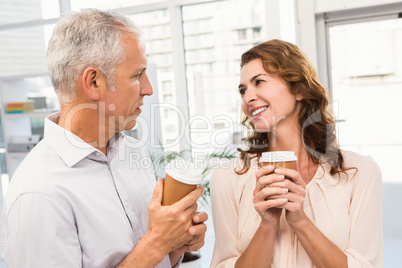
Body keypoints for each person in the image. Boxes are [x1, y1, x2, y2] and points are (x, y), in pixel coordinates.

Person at [1, 9, 207, 268]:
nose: (148, 89)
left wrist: (175, 244)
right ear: (94, 82)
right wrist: (157, 243)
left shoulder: (132, 151)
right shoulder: (38, 193)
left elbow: (157, 258)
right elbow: (152, 247)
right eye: (136, 75)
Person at [210, 39, 383, 267]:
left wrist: (300, 220)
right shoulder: (228, 178)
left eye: (259, 82)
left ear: (298, 89)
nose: (247, 98)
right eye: (243, 90)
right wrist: (267, 224)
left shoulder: (358, 173)